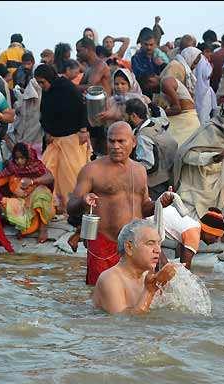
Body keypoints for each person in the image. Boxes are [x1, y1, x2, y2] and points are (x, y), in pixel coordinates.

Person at [67, 122, 173, 285]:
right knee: (101, 294)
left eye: (121, 141)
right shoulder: (92, 169)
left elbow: (144, 208)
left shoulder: (139, 170)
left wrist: (161, 203)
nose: (115, 146)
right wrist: (83, 200)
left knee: (140, 291)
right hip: (104, 244)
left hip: (134, 245)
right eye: (111, 141)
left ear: (134, 141)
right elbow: (71, 206)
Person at [173, 100, 224, 219]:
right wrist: (216, 157)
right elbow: (187, 156)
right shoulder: (209, 130)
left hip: (219, 189)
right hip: (196, 187)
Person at [34, 64, 91, 212]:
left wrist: (83, 130)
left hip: (72, 139)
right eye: (38, 82)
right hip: (55, 141)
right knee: (47, 171)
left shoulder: (67, 88)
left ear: (49, 78)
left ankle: (73, 209)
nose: (41, 85)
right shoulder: (48, 91)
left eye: (42, 82)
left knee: (71, 177)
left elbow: (82, 106)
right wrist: (47, 131)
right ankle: (52, 207)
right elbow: (45, 112)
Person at [92, 220, 177, 314]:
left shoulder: (147, 277)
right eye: (150, 243)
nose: (158, 250)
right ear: (129, 247)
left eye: (159, 243)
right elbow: (124, 322)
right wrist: (149, 291)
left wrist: (165, 284)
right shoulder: (110, 279)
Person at [0, 142, 55, 243]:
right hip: (22, 202)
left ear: (29, 157)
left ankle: (43, 229)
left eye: (22, 158)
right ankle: (24, 227)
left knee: (42, 194)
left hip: (38, 202)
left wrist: (32, 182)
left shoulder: (37, 166)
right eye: (17, 158)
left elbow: (50, 177)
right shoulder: (12, 168)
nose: (19, 161)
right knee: (3, 202)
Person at [126, 97, 176, 200]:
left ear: (133, 116)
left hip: (154, 185)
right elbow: (164, 119)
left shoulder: (143, 136)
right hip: (168, 175)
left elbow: (148, 164)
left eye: (124, 116)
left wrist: (126, 167)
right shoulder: (156, 123)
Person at [148, 206, 224, 270]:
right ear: (208, 231)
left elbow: (181, 254)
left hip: (150, 224)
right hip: (147, 228)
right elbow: (186, 268)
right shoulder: (194, 234)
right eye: (216, 237)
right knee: (164, 269)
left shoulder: (193, 225)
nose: (217, 240)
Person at [138, 71, 200, 145]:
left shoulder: (165, 84)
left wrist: (158, 112)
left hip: (186, 118)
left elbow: (177, 109)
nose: (152, 91)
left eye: (150, 88)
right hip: (184, 116)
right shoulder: (165, 82)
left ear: (151, 80)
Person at [194, 47, 217, 125]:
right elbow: (207, 75)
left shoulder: (198, 59)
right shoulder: (204, 61)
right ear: (206, 51)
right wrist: (212, 68)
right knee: (203, 116)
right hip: (203, 91)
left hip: (198, 90)